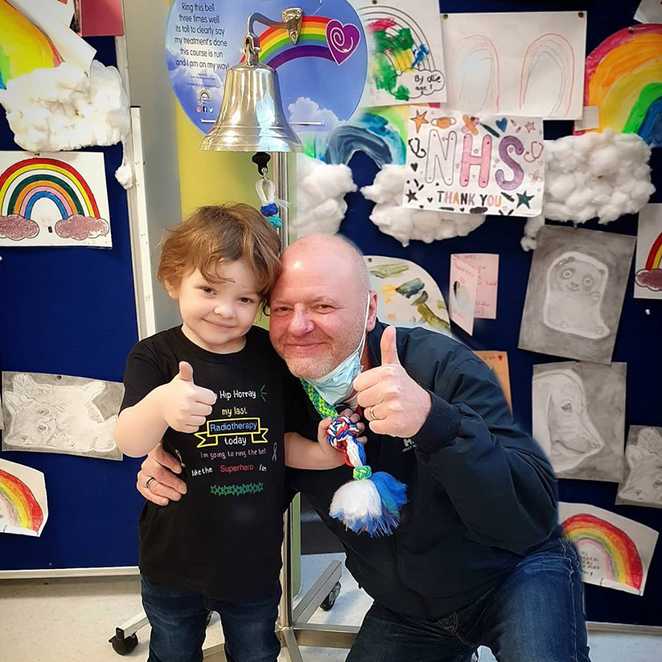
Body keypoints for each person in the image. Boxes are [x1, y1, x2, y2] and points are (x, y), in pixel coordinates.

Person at [137, 233, 591, 662]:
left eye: (322, 305)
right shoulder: (278, 392)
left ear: (370, 310)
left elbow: (528, 514)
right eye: (281, 309)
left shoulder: (438, 365)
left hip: (515, 573)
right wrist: (173, 462)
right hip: (411, 610)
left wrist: (434, 422)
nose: (299, 326)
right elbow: (249, 478)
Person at [115, 209, 357, 662]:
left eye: (245, 299)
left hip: (253, 563)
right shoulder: (154, 356)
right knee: (172, 648)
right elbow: (129, 440)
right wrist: (160, 405)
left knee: (255, 651)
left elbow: (277, 442)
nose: (225, 310)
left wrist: (325, 454)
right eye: (208, 289)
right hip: (173, 560)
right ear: (173, 281)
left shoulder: (270, 353)